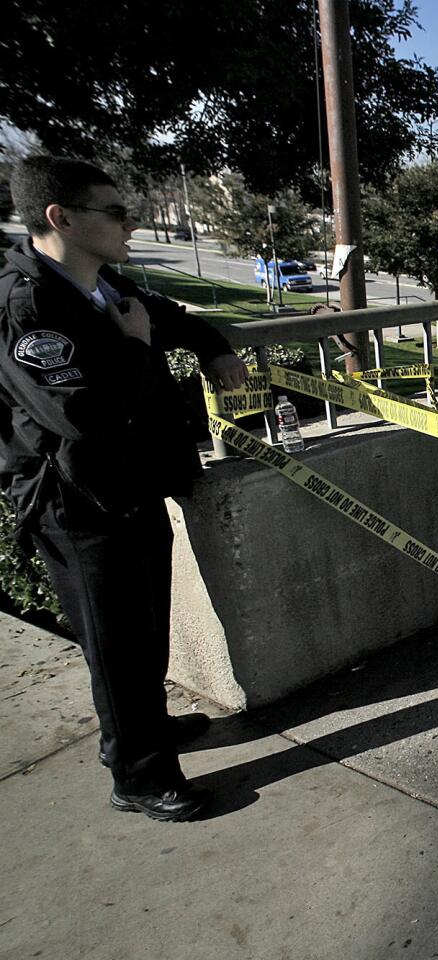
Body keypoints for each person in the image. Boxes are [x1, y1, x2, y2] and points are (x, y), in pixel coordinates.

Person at [1, 156, 248, 822]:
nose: (129, 222)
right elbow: (81, 418)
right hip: (79, 506)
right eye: (114, 211)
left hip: (134, 490)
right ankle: (138, 776)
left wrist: (213, 346)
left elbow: (168, 315)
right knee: (114, 645)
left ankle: (151, 727)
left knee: (143, 631)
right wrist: (138, 349)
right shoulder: (29, 306)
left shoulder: (99, 282)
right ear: (62, 218)